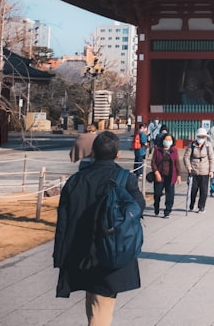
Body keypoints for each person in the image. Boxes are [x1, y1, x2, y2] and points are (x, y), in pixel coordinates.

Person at [54, 131, 145, 326]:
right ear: (117, 154)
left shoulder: (75, 181)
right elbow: (138, 208)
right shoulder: (125, 179)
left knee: (94, 305)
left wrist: (60, 256)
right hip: (111, 250)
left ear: (93, 153)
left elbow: (63, 222)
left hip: (81, 251)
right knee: (100, 309)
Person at [183, 127, 214, 213]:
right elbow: (186, 157)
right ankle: (191, 204)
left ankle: (201, 206)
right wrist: (188, 166)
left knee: (204, 191)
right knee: (193, 190)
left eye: (203, 137)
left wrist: (211, 170)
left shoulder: (208, 145)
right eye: (200, 137)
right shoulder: (191, 145)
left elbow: (211, 158)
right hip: (194, 171)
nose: (201, 138)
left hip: (205, 172)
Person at [150, 132, 180, 217]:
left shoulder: (174, 150)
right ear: (162, 140)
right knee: (157, 193)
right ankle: (156, 207)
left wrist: (178, 175)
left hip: (170, 175)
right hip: (160, 175)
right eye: (166, 140)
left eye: (169, 140)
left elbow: (177, 162)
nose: (168, 141)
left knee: (170, 195)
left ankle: (167, 211)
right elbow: (153, 162)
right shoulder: (157, 150)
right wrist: (156, 172)